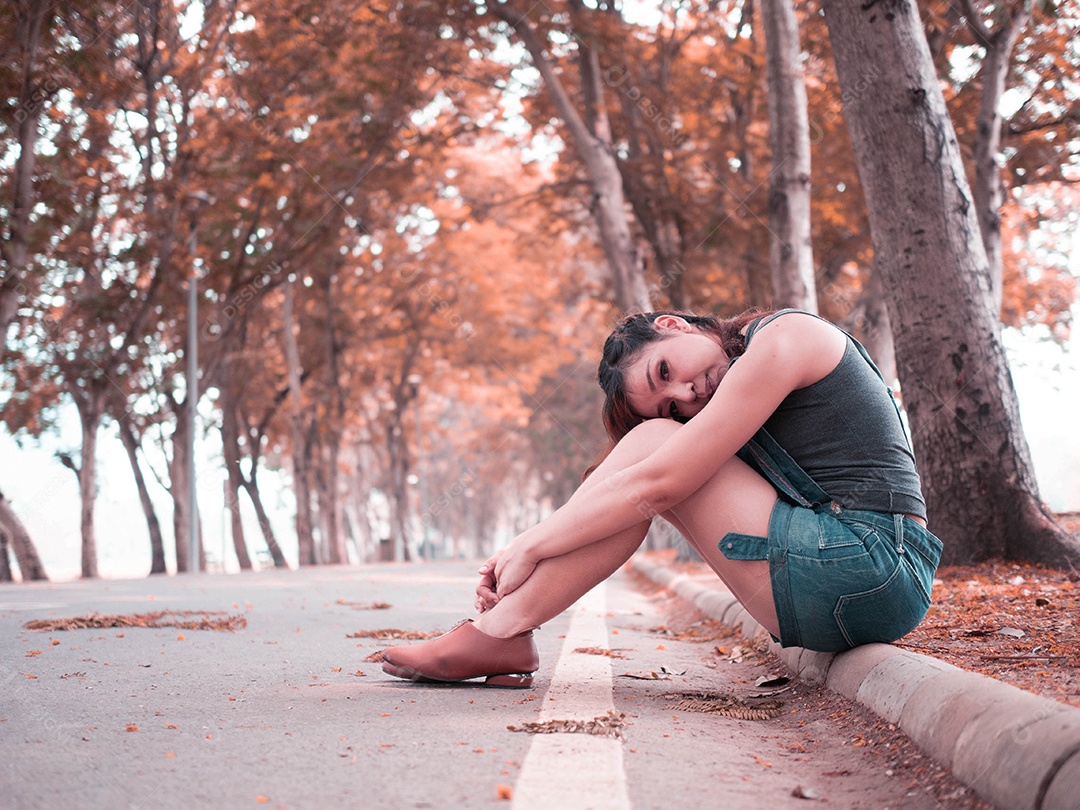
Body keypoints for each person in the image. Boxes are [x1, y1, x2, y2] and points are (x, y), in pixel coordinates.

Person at [381, 309, 943, 687]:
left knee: (652, 452)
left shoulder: (787, 338)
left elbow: (659, 483)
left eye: (667, 370)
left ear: (672, 324)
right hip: (847, 577)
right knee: (646, 453)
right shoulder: (734, 386)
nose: (686, 394)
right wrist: (530, 546)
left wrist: (526, 546)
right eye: (671, 403)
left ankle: (499, 632)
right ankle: (504, 631)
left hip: (873, 566)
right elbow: (644, 484)